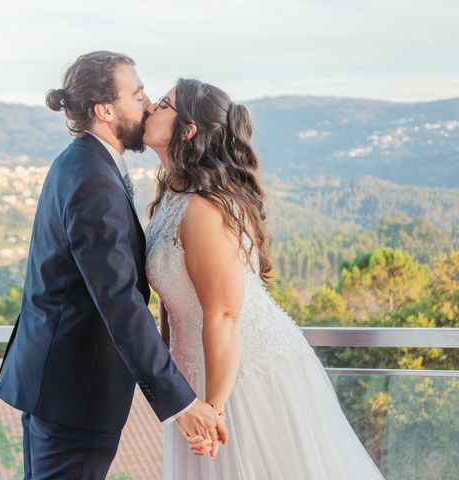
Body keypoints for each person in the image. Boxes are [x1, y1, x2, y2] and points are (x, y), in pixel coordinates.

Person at [0, 53, 226, 480]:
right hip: (75, 392)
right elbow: (118, 301)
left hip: (56, 384)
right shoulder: (94, 180)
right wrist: (182, 403)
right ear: (104, 110)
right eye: (136, 94)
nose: (147, 103)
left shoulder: (83, 162)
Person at [143, 78, 386, 479]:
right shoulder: (173, 197)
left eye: (164, 104)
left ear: (187, 130)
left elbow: (223, 314)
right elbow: (172, 304)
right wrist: (174, 385)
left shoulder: (203, 208)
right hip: (195, 376)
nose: (151, 107)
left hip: (242, 376)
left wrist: (214, 407)